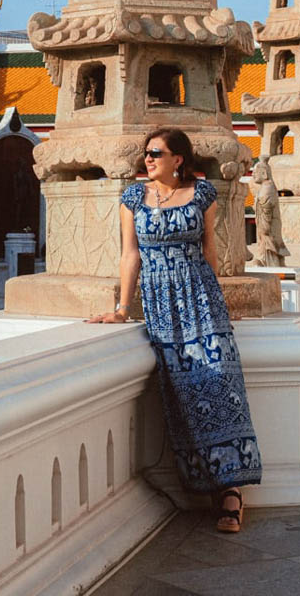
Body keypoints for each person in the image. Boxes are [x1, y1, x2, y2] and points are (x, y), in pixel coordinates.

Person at [88, 128, 262, 533]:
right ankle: (206, 485)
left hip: (201, 299)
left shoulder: (203, 196)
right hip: (161, 305)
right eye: (146, 154)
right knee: (184, 393)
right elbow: (130, 255)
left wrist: (217, 305)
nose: (147, 160)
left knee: (221, 386)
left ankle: (233, 492)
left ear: (178, 159)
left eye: (156, 153)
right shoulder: (133, 198)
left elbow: (209, 254)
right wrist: (120, 308)